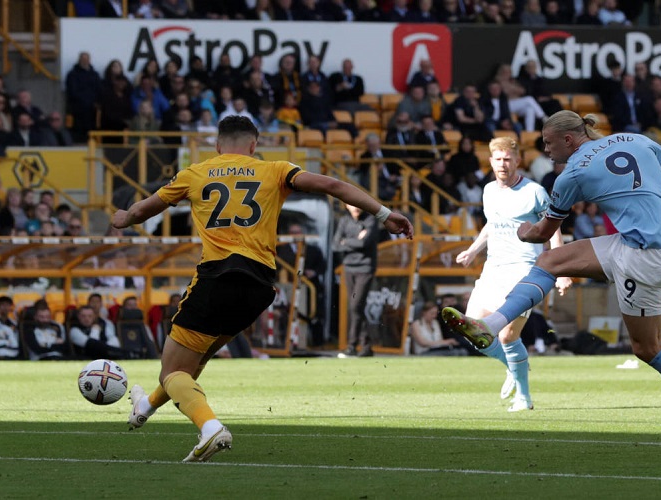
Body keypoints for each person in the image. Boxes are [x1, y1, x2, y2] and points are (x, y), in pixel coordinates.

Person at [112, 116, 412, 462]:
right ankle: (144, 408)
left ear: (217, 146)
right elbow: (334, 185)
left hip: (217, 277)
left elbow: (142, 211)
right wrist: (384, 214)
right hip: (259, 287)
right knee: (195, 363)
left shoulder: (194, 174)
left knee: (172, 372)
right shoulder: (276, 170)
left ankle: (210, 428)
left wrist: (122, 218)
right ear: (254, 146)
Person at [442, 110, 661, 453]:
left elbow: (541, 231)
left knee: (648, 347)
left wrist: (523, 230)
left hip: (642, 257)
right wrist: (655, 208)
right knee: (551, 260)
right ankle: (491, 324)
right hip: (640, 242)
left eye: (549, 143)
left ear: (569, 140)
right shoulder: (635, 138)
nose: (546, 151)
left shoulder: (573, 174)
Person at [453, 136, 571, 411]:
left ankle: (524, 397)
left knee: (507, 336)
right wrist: (473, 250)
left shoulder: (535, 192)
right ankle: (515, 365)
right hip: (493, 268)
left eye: (508, 159)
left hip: (523, 270)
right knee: (472, 331)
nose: (503, 164)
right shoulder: (489, 191)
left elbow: (554, 229)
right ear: (491, 161)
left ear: (518, 161)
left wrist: (562, 269)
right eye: (498, 159)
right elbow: (492, 225)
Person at [334, 203, 384, 358]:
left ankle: (352, 345)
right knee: (356, 307)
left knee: (355, 305)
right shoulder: (344, 220)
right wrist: (354, 240)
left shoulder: (370, 220)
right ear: (346, 206)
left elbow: (364, 243)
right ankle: (366, 346)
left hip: (365, 268)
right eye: (351, 204)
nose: (355, 207)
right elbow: (335, 245)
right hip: (349, 267)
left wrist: (346, 241)